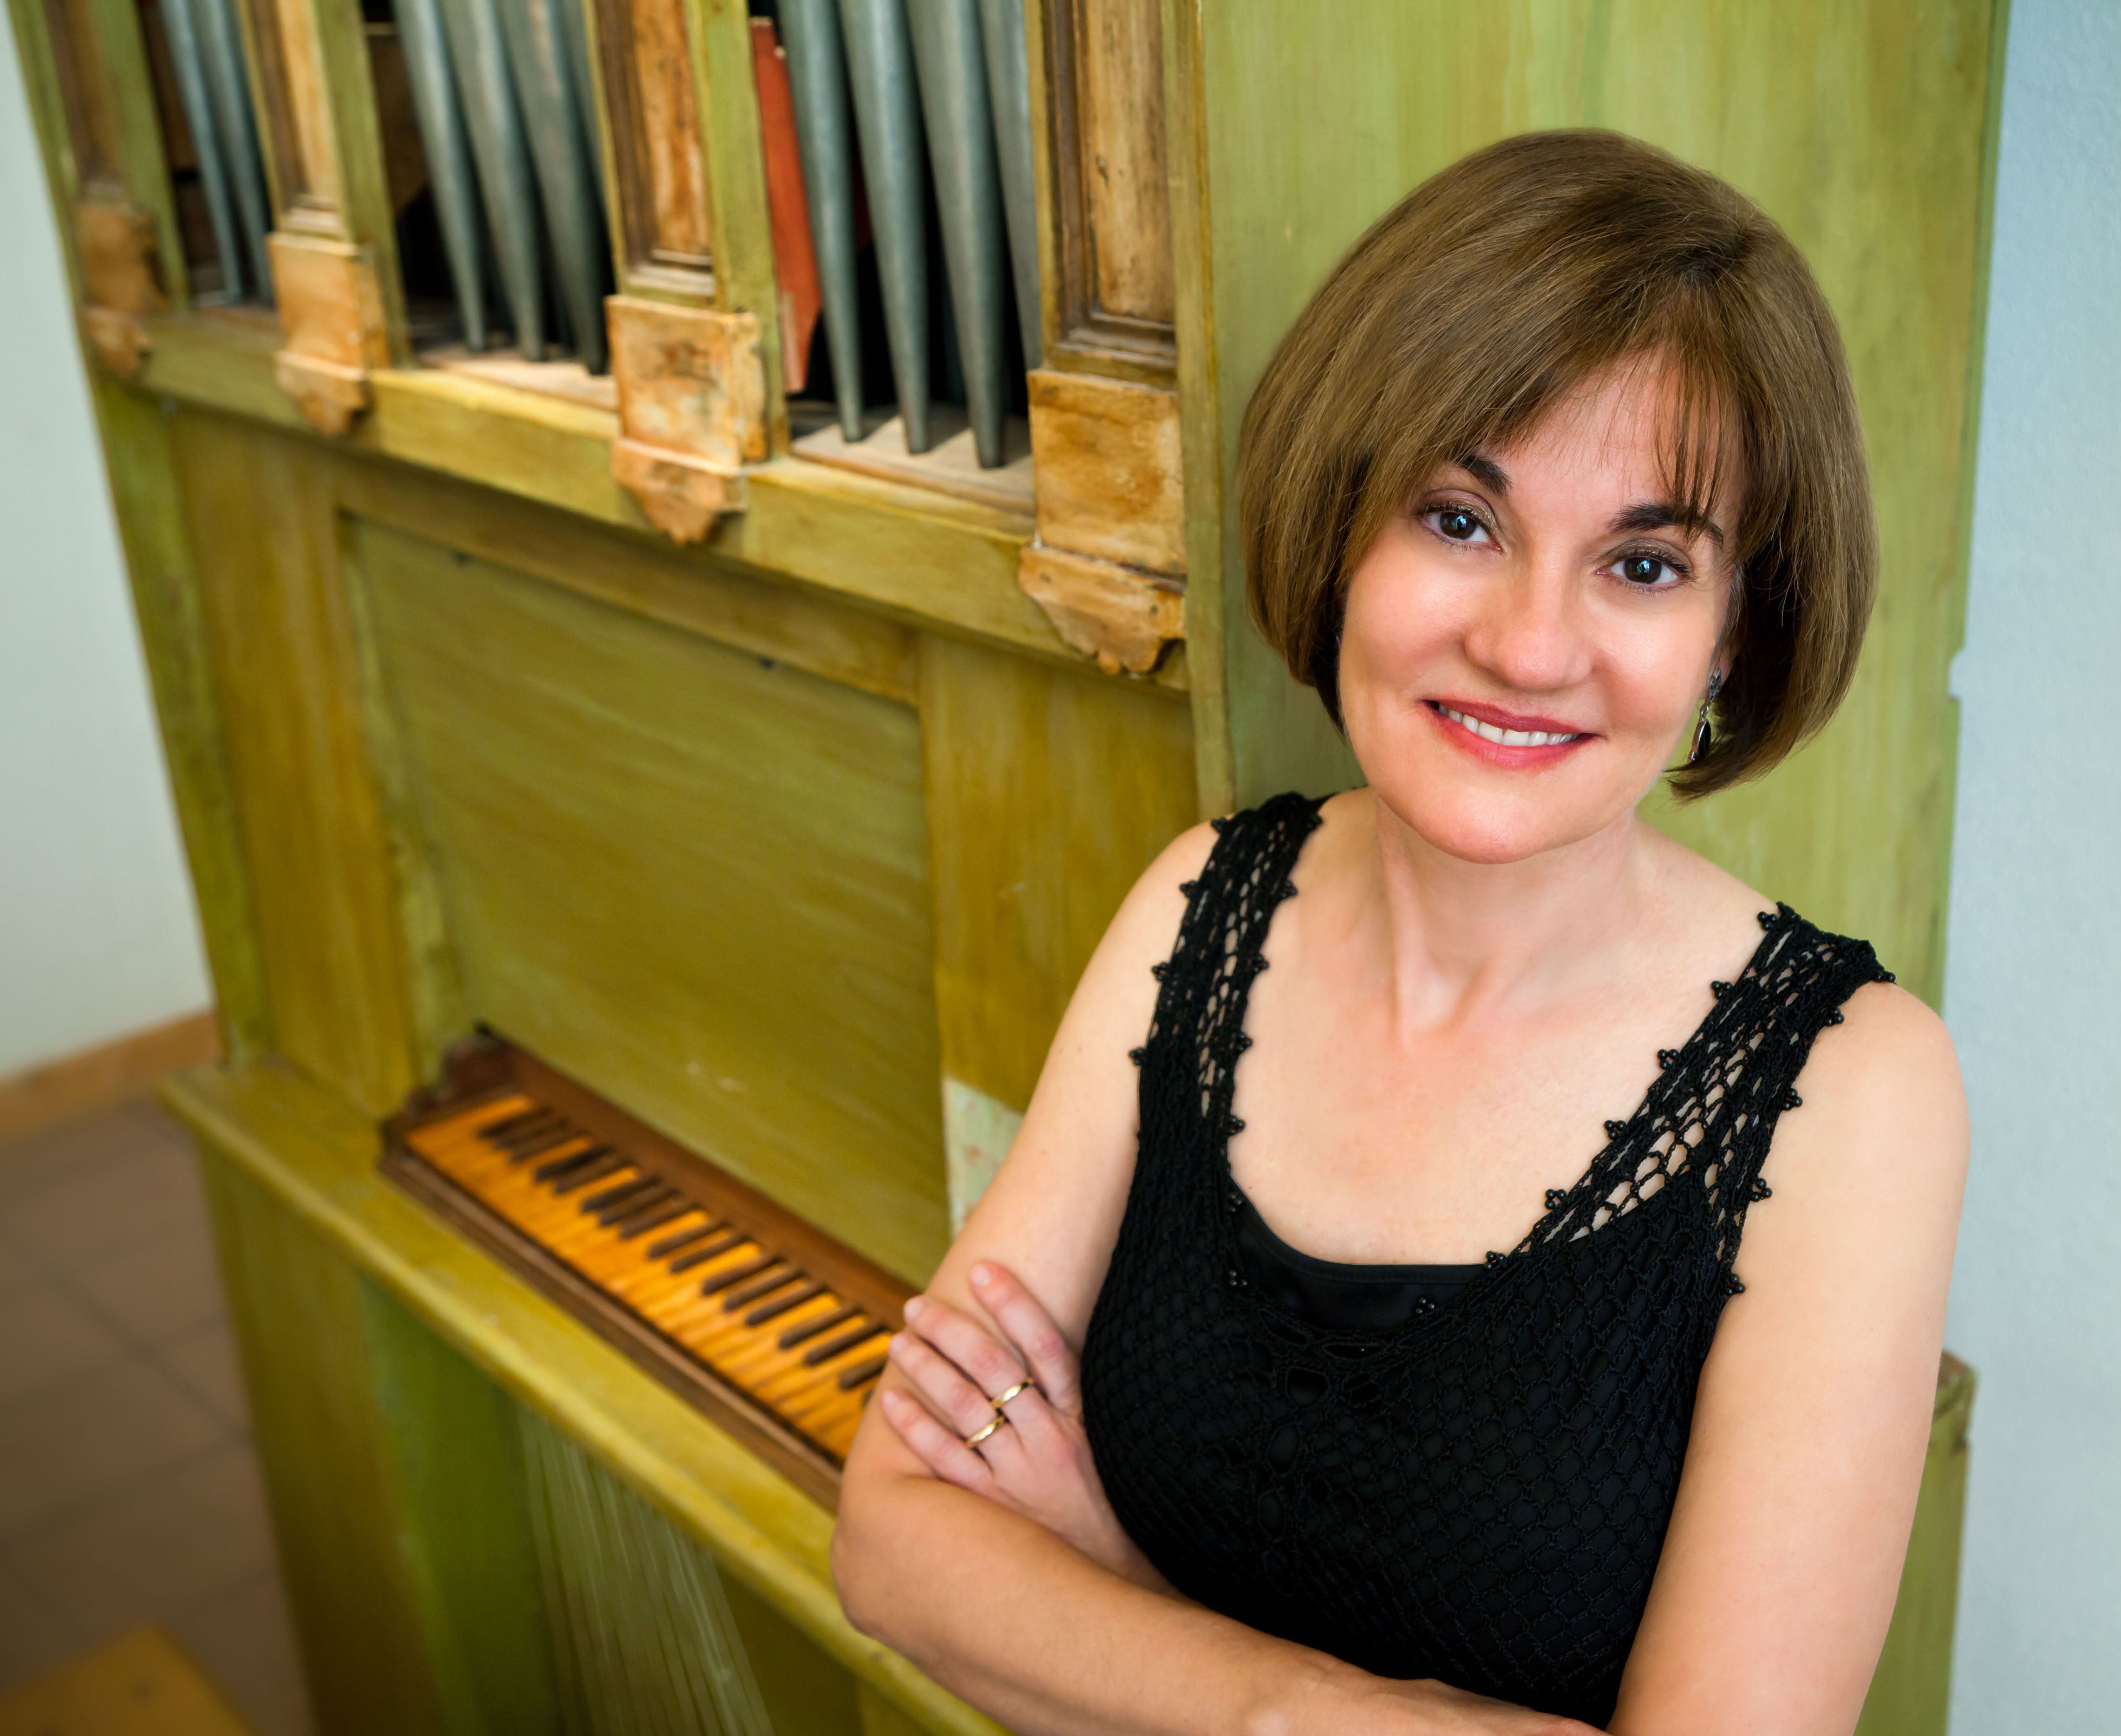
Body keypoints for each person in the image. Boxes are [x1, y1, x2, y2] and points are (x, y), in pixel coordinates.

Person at [831, 130, 1967, 1736]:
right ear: (1345, 526)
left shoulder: (1856, 1091)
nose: (1526, 642)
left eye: (1643, 562)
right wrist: (1306, 1708)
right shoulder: (1196, 905)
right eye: (1459, 518)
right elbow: (893, 1541)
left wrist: (1109, 1589)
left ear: (1738, 631)